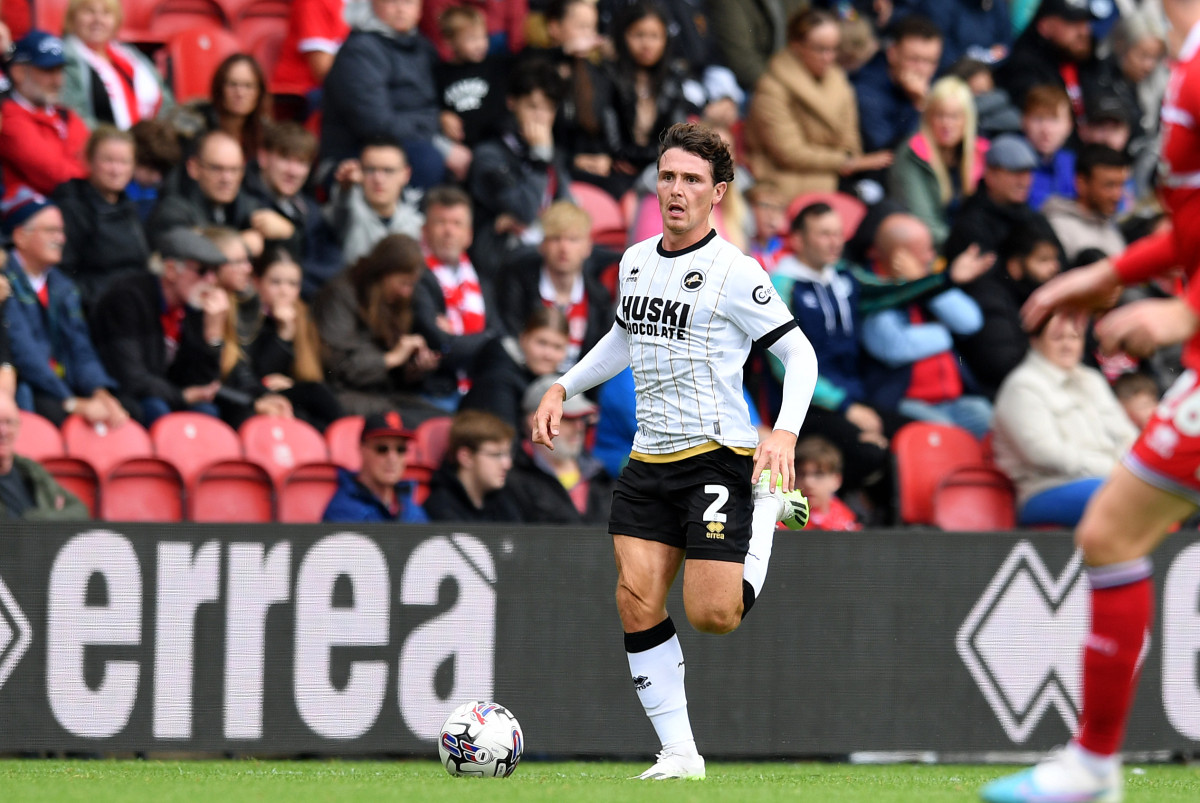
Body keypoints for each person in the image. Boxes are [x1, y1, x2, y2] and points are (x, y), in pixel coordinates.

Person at [530, 122, 815, 780]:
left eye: (691, 179)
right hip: (648, 460)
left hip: (717, 456)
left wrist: (785, 431)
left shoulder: (736, 272)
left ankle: (767, 507)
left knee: (713, 615)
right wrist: (564, 385)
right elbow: (624, 336)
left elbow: (800, 354)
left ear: (717, 193)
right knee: (635, 599)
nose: (676, 189)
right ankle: (680, 753)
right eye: (667, 176)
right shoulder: (634, 260)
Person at [979, 0, 1200, 798]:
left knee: (1111, 528)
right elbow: (1193, 226)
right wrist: (1111, 273)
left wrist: (1184, 309)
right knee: (1110, 530)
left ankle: (1093, 765)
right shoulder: (1181, 59)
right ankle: (1093, 766)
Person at [992, 312, 1137, 527]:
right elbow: (1043, 454)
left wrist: (1131, 470)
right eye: (1058, 338)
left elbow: (1128, 435)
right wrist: (1113, 470)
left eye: (1075, 337)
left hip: (1110, 479)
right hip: (1046, 490)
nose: (1068, 345)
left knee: (1165, 491)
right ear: (1035, 341)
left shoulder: (1092, 379)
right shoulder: (1022, 386)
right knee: (1129, 497)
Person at [2, 189, 131, 427]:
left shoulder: (63, 286)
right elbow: (24, 353)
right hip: (30, 387)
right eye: (51, 230)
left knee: (129, 411)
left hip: (63, 386)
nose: (61, 238)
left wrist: (99, 391)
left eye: (62, 231)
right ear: (20, 236)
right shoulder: (4, 282)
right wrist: (71, 401)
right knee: (51, 411)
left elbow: (80, 347)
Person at [860, 212, 994, 438]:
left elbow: (970, 322)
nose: (932, 256)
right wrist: (945, 333)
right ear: (899, 255)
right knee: (949, 439)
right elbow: (896, 347)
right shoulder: (873, 289)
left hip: (955, 400)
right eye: (926, 251)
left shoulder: (924, 279)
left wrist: (922, 281)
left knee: (999, 426)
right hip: (906, 403)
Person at [320, 0, 472, 189]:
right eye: (392, 1)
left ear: (419, 8)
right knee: (427, 159)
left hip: (418, 138)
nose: (401, 9)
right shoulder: (359, 51)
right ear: (373, 4)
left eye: (408, 2)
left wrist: (445, 118)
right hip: (357, 153)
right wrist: (437, 138)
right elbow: (376, 124)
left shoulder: (424, 47)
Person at [745, 7, 891, 203]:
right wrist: (846, 162)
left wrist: (849, 159)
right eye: (820, 49)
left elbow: (851, 139)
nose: (829, 57)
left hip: (830, 172)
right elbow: (790, 154)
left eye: (833, 49)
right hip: (785, 179)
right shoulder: (771, 88)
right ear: (796, 46)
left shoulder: (838, 80)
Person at [88, 228, 228, 425]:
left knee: (206, 412)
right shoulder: (127, 299)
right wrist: (181, 396)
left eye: (215, 272)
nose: (211, 281)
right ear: (171, 269)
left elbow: (203, 386)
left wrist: (212, 336)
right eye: (202, 271)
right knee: (155, 407)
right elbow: (130, 377)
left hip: (163, 393)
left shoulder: (193, 306)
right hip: (122, 397)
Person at [312, 233, 445, 423]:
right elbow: (337, 367)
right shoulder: (341, 295)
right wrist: (390, 359)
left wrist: (413, 367)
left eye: (411, 285)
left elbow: (393, 376)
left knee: (445, 423)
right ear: (383, 272)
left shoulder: (394, 301)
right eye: (403, 283)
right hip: (345, 396)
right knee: (422, 425)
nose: (406, 292)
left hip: (383, 394)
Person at [467, 57, 573, 275]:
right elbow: (525, 210)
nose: (541, 118)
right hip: (501, 257)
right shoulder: (489, 154)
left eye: (548, 109)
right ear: (512, 103)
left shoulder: (554, 153)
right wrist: (540, 157)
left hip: (545, 248)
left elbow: (566, 211)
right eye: (533, 107)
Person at [955, 217, 1064, 399]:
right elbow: (1004, 365)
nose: (1055, 268)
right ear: (1015, 266)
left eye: (1055, 259)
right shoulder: (989, 298)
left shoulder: (1043, 297)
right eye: (1043, 260)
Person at [496, 200, 613, 371]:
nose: (564, 248)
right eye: (556, 238)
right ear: (542, 245)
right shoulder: (517, 286)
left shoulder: (599, 297)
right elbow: (508, 341)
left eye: (573, 239)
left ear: (588, 247)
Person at [148, 130, 294, 259]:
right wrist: (239, 245)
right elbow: (181, 248)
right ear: (193, 168)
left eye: (234, 170)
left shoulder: (245, 205)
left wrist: (287, 233)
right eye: (217, 169)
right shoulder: (173, 209)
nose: (227, 179)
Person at [244, 248, 343, 431]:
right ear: (257, 282)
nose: (284, 291)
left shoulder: (305, 318)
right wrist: (284, 334)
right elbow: (255, 373)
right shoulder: (248, 319)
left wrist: (292, 384)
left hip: (293, 395)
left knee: (315, 409)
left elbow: (314, 373)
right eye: (275, 282)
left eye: (292, 284)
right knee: (314, 396)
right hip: (259, 397)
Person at [52, 125, 150, 301]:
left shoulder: (129, 206)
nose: (116, 170)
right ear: (89, 160)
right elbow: (63, 276)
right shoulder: (73, 207)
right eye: (108, 160)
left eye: (124, 162)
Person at [888, 75, 988, 248]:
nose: (946, 124)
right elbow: (923, 222)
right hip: (933, 250)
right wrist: (967, 247)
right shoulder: (912, 154)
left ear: (967, 119)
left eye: (955, 116)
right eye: (940, 115)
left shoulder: (981, 153)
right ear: (928, 117)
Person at [508, 373, 613, 523]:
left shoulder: (601, 476)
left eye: (582, 418)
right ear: (535, 421)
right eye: (566, 417)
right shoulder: (511, 479)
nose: (579, 426)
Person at [0, 30, 90, 196]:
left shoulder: (67, 115)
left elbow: (93, 161)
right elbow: (55, 176)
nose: (58, 81)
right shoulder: (7, 117)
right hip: (30, 213)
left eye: (60, 70)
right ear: (18, 72)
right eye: (48, 71)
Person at [60, 0, 173, 130]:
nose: (98, 20)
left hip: (147, 142)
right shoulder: (65, 58)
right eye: (89, 11)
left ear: (116, 21)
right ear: (73, 17)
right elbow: (72, 116)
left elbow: (166, 102)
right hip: (100, 145)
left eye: (106, 13)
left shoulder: (131, 55)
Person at [460, 306, 570, 432]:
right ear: (523, 339)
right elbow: (504, 438)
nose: (548, 355)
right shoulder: (498, 377)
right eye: (542, 343)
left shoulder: (558, 381)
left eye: (557, 347)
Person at [942, 133, 1042, 264]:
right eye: (1015, 173)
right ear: (990, 175)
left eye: (1028, 173)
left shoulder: (1031, 216)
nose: (1024, 182)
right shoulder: (970, 224)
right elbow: (985, 281)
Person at [851, 15, 945, 153]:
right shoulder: (867, 89)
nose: (922, 69)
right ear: (892, 54)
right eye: (914, 59)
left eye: (930, 61)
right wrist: (919, 105)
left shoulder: (936, 84)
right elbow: (885, 151)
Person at [326, 136, 424, 268]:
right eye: (370, 170)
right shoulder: (349, 212)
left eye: (388, 170)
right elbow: (341, 208)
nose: (378, 179)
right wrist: (345, 188)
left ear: (405, 174)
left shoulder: (419, 224)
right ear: (360, 172)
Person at [321, 411, 429, 523]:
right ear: (362, 449)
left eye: (400, 450)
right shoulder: (344, 511)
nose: (392, 458)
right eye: (382, 449)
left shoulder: (411, 507)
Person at [0, 394, 89, 520]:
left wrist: (34, 519)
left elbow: (80, 511)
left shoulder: (30, 469)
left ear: (18, 428)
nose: (3, 431)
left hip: (46, 540)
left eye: (9, 422)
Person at [424, 409, 522, 523]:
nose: (507, 464)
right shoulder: (441, 506)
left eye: (507, 455)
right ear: (466, 457)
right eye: (496, 455)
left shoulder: (504, 502)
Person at [434, 4, 510, 150]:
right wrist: (442, 115)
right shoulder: (440, 73)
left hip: (496, 144)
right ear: (449, 42)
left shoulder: (497, 65)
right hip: (459, 146)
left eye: (483, 37)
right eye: (471, 39)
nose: (480, 44)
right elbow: (433, 105)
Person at [1042, 144, 1130, 263]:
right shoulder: (1056, 229)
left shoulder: (1111, 228)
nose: (1118, 195)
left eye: (1121, 185)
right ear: (1081, 183)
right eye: (1109, 185)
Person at [194, 54, 271, 166]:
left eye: (248, 86)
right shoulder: (195, 127)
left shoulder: (266, 134)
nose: (240, 93)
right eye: (232, 84)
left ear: (259, 93)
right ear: (220, 88)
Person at [1021, 85, 1077, 210]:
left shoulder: (1075, 164)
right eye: (1038, 119)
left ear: (1069, 126)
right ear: (1024, 121)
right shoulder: (1011, 163)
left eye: (1054, 120)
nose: (1046, 129)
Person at [793, 435, 860, 531]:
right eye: (801, 474)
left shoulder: (849, 526)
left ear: (837, 480)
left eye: (819, 474)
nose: (808, 482)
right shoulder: (777, 520)